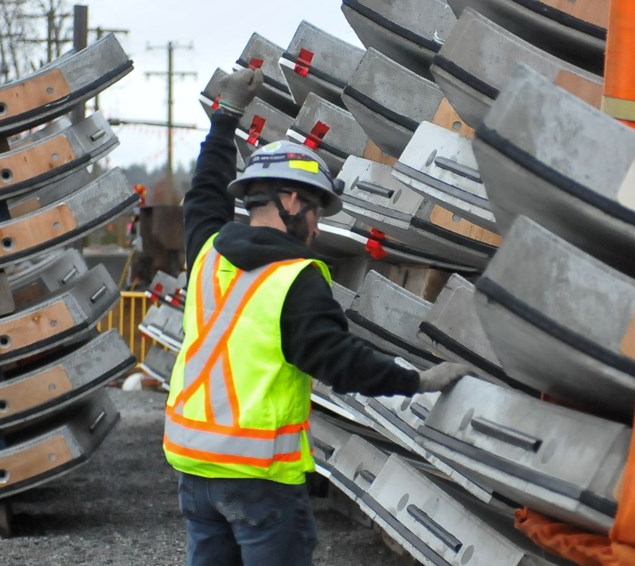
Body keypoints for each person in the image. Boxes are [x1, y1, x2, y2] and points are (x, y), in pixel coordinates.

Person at [162, 67, 471, 566]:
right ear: (290, 200)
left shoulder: (208, 252)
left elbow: (204, 193)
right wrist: (417, 380)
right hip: (259, 479)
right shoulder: (296, 276)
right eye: (316, 210)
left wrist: (226, 119)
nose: (317, 224)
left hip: (194, 469)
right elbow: (338, 361)